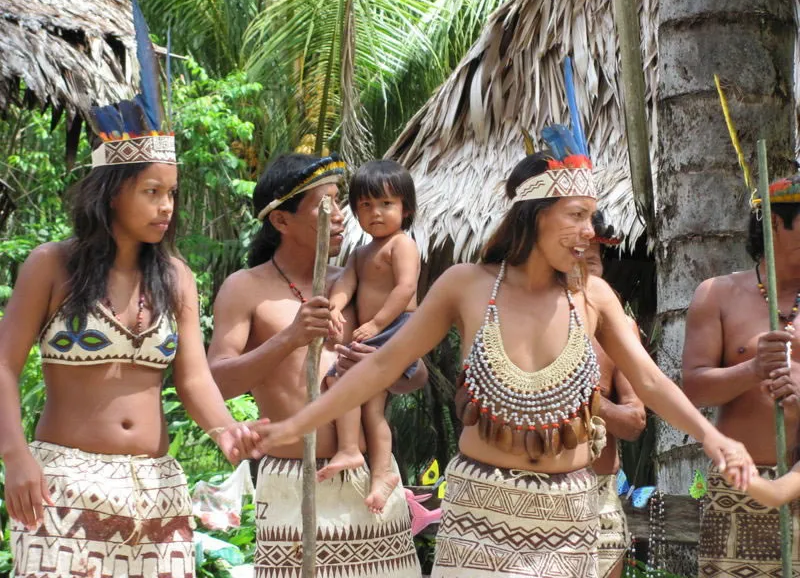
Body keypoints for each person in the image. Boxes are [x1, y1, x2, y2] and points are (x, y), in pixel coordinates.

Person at [251, 136, 755, 577]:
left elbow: (651, 383)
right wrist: (300, 425)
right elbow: (382, 365)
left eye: (589, 216)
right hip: (481, 518)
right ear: (534, 215)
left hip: (569, 516)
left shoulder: (594, 297)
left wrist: (712, 437)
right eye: (575, 216)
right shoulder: (465, 286)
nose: (588, 230)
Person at [0, 0, 256, 578]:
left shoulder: (177, 278)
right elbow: (4, 366)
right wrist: (15, 456)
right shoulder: (51, 266)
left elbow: (192, 378)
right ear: (112, 191)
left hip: (157, 491)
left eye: (171, 193)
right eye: (151, 192)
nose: (167, 206)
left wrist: (227, 432)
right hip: (62, 485)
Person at [207, 152, 424, 578]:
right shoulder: (246, 288)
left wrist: (394, 366)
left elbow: (413, 376)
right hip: (293, 483)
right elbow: (216, 382)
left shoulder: (357, 279)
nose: (341, 216)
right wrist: (290, 337)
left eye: (340, 203)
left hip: (368, 483)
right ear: (281, 221)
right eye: (324, 206)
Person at [683, 174, 800, 577]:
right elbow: (693, 390)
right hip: (739, 486)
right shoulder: (717, 294)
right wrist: (752, 369)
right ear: (774, 224)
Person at [320, 159, 420, 512]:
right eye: (366, 205)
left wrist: (377, 324)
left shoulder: (401, 245)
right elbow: (346, 283)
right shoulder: (361, 253)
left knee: (341, 381)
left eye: (386, 204)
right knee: (371, 407)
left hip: (394, 329)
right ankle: (381, 474)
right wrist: (334, 305)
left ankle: (350, 450)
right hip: (375, 334)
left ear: (405, 209)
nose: (375, 213)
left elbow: (406, 288)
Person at [584, 211, 646, 578]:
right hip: (532, 491)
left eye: (594, 257)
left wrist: (589, 400)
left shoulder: (621, 328)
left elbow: (634, 422)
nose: (587, 261)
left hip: (599, 491)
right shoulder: (515, 318)